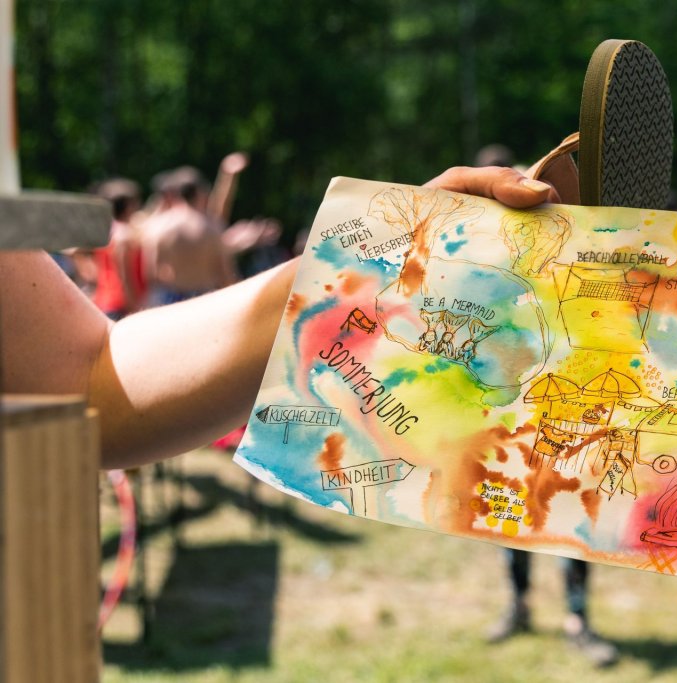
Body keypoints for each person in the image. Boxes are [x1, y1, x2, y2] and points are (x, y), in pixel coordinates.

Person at [0, 166, 557, 470]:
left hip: (158, 314)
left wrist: (369, 263)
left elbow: (80, 379)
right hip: (186, 311)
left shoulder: (148, 229)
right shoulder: (198, 228)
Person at [475, 144, 619, 667]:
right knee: (513, 515)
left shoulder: (572, 255)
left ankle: (577, 618)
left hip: (568, 412)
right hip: (512, 416)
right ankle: (518, 607)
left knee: (572, 518)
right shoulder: (487, 265)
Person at [140, 166, 236, 306]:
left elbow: (150, 274)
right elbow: (225, 273)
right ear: (200, 193)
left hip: (171, 299)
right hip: (205, 298)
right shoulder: (212, 228)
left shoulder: (158, 228)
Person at [88, 178, 146, 319]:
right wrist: (135, 308)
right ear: (128, 206)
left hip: (104, 301)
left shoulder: (107, 232)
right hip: (121, 305)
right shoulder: (124, 236)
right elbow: (125, 277)